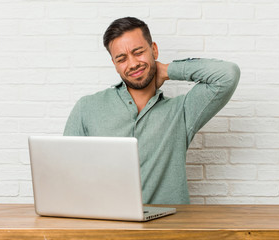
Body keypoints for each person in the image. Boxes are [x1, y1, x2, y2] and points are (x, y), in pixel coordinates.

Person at [63, 17, 240, 204]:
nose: (132, 64)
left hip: (168, 229)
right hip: (107, 227)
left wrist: (167, 70)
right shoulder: (87, 108)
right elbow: (65, 173)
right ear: (115, 65)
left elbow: (227, 75)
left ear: (153, 50)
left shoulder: (182, 112)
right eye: (121, 59)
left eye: (138, 52)